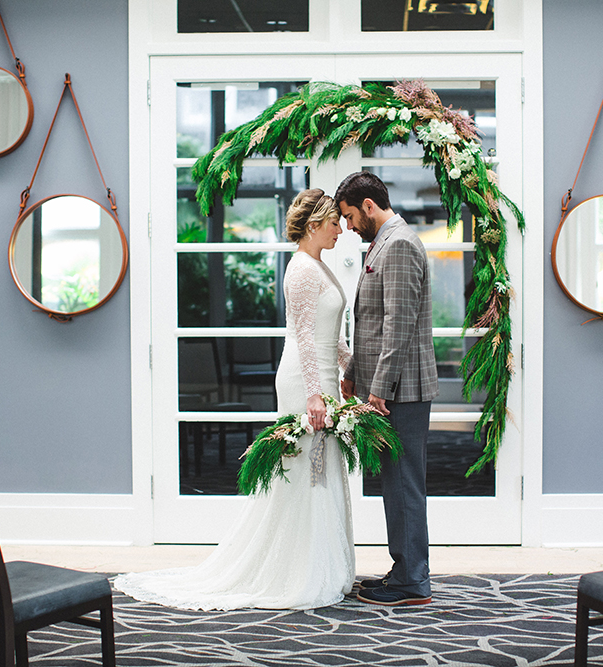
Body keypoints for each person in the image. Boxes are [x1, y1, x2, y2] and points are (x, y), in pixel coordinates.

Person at [114, 189, 355, 610]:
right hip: (305, 382)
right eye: (334, 222)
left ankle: (324, 565)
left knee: (323, 469)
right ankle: (298, 571)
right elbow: (301, 336)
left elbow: (327, 332)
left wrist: (347, 366)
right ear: (314, 224)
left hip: (325, 378)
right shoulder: (301, 270)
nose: (340, 229)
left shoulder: (319, 265)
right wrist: (315, 395)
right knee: (305, 470)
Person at [335, 171, 438, 606]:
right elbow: (371, 322)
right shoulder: (383, 242)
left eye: (350, 216)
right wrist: (356, 373)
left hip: (401, 390)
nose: (348, 226)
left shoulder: (398, 244)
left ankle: (413, 581)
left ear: (370, 206)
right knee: (394, 484)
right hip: (387, 386)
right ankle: (403, 569)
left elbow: (398, 324)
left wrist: (378, 388)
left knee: (403, 483)